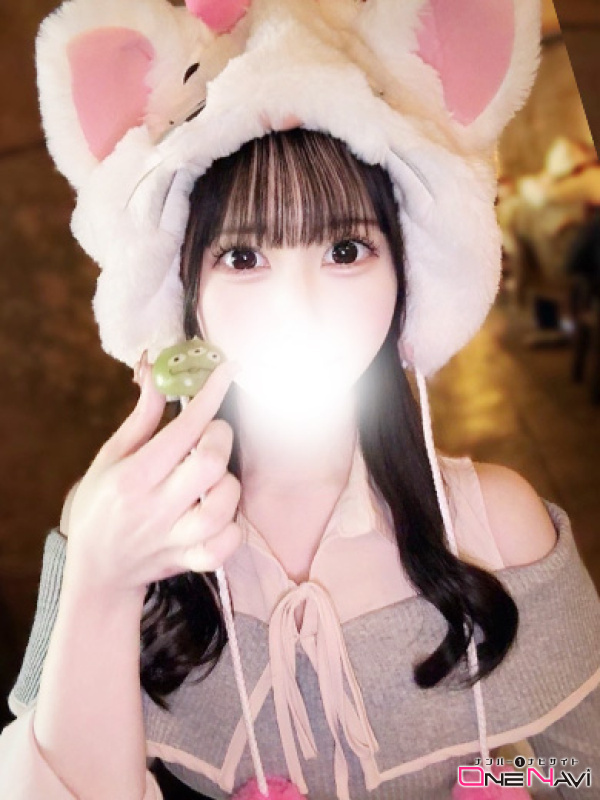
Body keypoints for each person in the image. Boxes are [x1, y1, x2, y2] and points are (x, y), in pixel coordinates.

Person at [1, 0, 599, 799]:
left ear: (405, 275)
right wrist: (100, 580)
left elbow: (585, 767)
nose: (298, 307)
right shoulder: (117, 522)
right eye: (243, 257)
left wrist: (500, 780)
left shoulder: (498, 526)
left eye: (345, 249)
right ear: (187, 294)